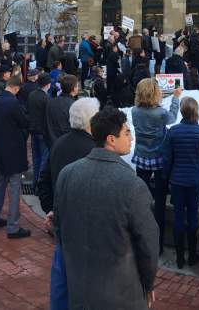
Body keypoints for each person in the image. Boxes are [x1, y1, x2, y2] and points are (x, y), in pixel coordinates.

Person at [54, 107, 159, 309]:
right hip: (121, 294)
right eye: (127, 133)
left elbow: (60, 228)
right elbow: (148, 243)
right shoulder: (132, 185)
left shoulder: (67, 174)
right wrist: (148, 283)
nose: (131, 138)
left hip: (79, 288)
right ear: (111, 139)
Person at [39, 97, 99, 310]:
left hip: (62, 221)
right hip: (87, 226)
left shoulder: (59, 143)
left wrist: (50, 209)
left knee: (61, 280)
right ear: (91, 121)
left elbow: (43, 179)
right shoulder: (94, 149)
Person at [131, 78, 182, 254]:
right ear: (155, 93)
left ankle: (140, 238)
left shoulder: (135, 111)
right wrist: (175, 97)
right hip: (158, 158)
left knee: (141, 198)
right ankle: (158, 244)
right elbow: (173, 118)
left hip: (142, 157)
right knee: (159, 201)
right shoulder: (160, 113)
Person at [162, 96, 199, 269]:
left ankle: (179, 258)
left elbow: (167, 159)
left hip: (176, 181)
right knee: (192, 218)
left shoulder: (173, 131)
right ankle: (192, 255)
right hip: (194, 181)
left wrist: (166, 177)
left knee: (178, 217)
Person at [0, 75, 32, 239]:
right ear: (16, 88)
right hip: (14, 150)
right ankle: (13, 227)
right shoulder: (13, 103)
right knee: (14, 187)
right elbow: (25, 122)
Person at [45, 75, 80, 147]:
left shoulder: (51, 102)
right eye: (77, 86)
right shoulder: (74, 105)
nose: (78, 88)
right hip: (67, 144)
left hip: (52, 143)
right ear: (73, 88)